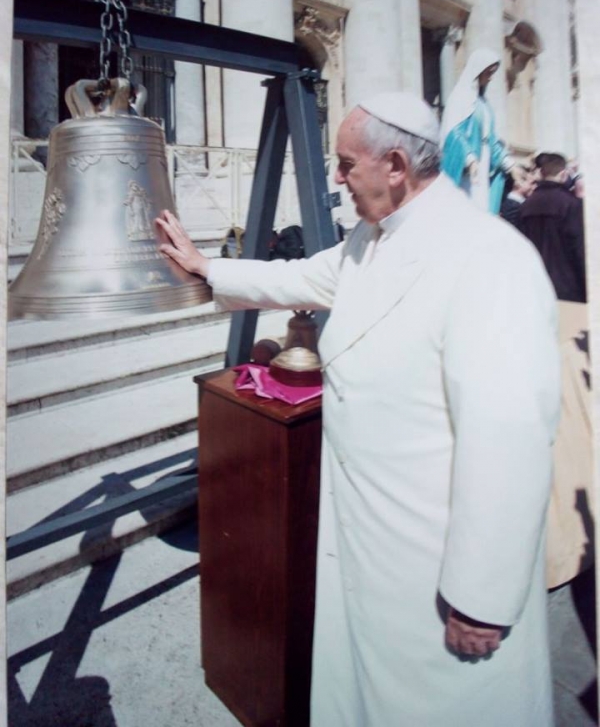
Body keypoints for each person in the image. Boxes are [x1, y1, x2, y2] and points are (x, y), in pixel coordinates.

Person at [156, 91, 560, 726]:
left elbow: (509, 441)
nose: (336, 178)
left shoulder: (491, 259)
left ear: (395, 165)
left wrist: (482, 595)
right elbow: (299, 279)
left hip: (436, 565)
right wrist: (207, 267)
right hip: (369, 550)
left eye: (346, 164)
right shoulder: (370, 241)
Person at [441, 48, 515, 214]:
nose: (490, 78)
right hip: (466, 169)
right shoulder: (460, 98)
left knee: (481, 207)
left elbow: (490, 139)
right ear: (478, 71)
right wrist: (469, 158)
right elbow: (453, 132)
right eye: (488, 73)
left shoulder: (483, 104)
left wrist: (510, 164)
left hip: (483, 165)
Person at [518, 152, 587, 303]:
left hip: (536, 286)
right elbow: (579, 249)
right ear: (563, 174)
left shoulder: (525, 206)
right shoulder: (571, 205)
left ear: (541, 173)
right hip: (568, 287)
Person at [499, 162, 537, 227]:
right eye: (531, 183)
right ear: (518, 183)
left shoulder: (517, 204)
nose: (534, 187)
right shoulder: (513, 207)